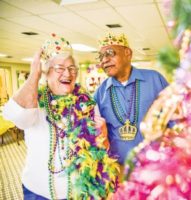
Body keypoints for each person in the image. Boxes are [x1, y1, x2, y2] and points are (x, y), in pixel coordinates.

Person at [3, 33, 118, 200]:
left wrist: (104, 137)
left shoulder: (89, 105)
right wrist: (34, 74)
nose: (68, 73)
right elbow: (15, 115)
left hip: (79, 194)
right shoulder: (35, 102)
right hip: (37, 192)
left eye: (72, 68)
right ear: (46, 72)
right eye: (60, 68)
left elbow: (101, 151)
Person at [94, 33, 169, 166]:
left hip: (155, 168)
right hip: (117, 170)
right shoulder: (100, 92)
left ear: (127, 53)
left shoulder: (155, 79)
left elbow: (173, 119)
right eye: (100, 56)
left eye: (110, 53)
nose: (104, 60)